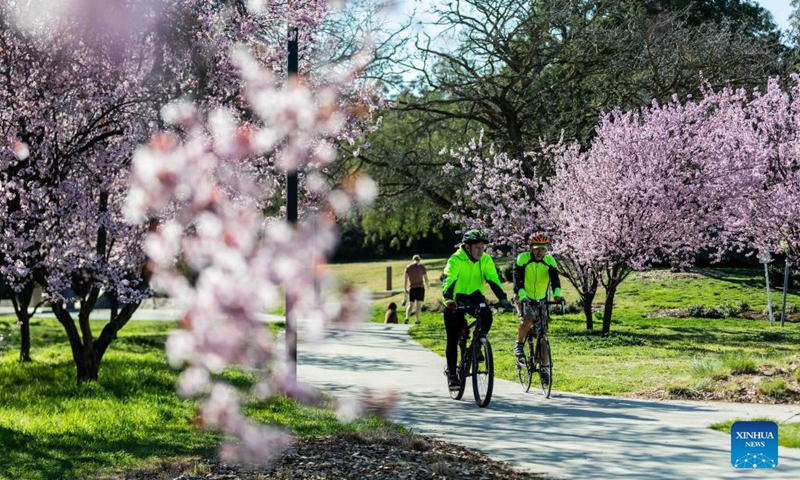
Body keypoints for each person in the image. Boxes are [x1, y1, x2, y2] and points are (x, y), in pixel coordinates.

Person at [441, 229, 512, 389]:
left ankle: (477, 344)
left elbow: (493, 279)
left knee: (487, 316)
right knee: (453, 337)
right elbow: (449, 279)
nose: (481, 251)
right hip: (455, 298)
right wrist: (448, 299)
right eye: (477, 248)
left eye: (482, 247)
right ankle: (453, 375)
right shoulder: (456, 260)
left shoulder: (485, 260)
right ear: (467, 247)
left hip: (474, 296)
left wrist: (502, 298)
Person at [513, 232, 564, 361]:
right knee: (528, 318)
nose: (540, 252)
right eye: (537, 249)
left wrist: (557, 296)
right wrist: (523, 297)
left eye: (543, 249)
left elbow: (555, 281)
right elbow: (518, 281)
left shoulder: (549, 261)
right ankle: (518, 344)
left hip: (541, 299)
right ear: (530, 248)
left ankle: (545, 369)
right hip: (524, 295)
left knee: (542, 336)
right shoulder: (523, 259)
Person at [404, 254, 429, 325]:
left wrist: (405, 288)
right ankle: (417, 320)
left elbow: (405, 279)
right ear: (419, 259)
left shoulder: (408, 267)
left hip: (412, 288)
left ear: (413, 259)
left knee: (411, 304)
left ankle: (407, 318)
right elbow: (425, 278)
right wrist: (427, 285)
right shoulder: (422, 267)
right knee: (418, 305)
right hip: (420, 288)